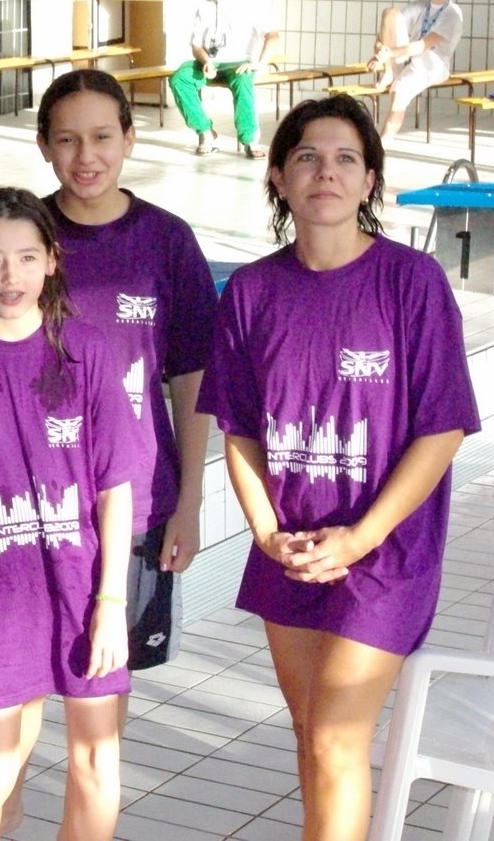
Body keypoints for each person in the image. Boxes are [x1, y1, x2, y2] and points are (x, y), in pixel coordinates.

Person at [197, 94, 479, 841]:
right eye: (307, 157)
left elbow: (444, 428)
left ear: (369, 180)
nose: (326, 172)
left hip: (386, 552)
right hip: (290, 549)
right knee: (310, 734)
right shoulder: (252, 292)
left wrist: (361, 537)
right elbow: (240, 430)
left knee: (334, 739)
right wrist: (266, 532)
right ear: (279, 178)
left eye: (345, 158)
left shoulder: (411, 281)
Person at [0, 186, 134, 841]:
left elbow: (115, 487)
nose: (11, 276)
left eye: (27, 257)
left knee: (97, 759)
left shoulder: (87, 350)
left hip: (78, 587)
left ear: (51, 260)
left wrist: (112, 601)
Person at [168, 0, 279, 159]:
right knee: (180, 78)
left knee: (243, 82)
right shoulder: (204, 8)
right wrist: (206, 61)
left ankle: (250, 140)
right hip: (211, 62)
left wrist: (258, 64)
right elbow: (196, 46)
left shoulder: (251, 5)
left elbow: (273, 35)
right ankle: (205, 131)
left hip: (239, 63)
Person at [364, 0, 465, 140]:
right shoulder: (421, 5)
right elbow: (388, 29)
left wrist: (388, 53)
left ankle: (382, 146)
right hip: (406, 57)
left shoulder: (452, 14)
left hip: (432, 65)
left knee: (399, 92)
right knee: (390, 12)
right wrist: (379, 49)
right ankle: (389, 72)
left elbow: (422, 46)